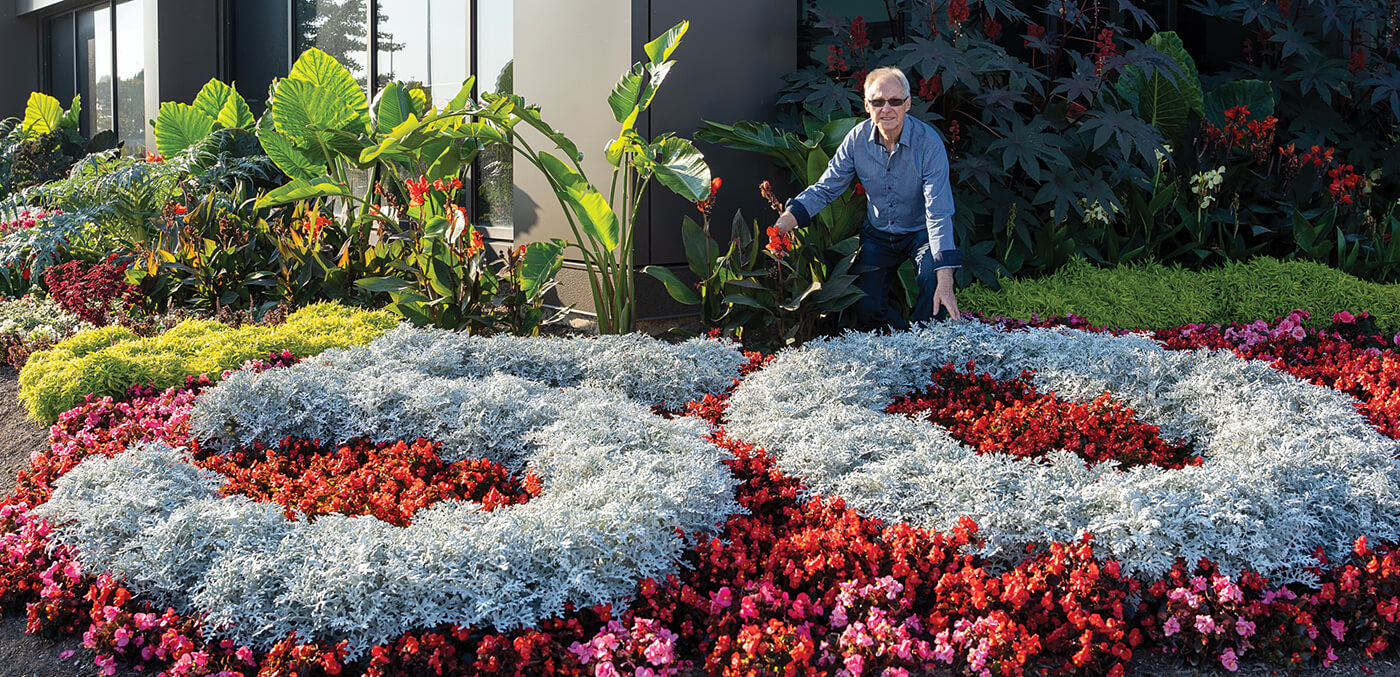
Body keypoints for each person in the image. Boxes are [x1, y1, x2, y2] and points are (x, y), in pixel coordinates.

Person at [773, 65, 961, 328]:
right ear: (866, 106)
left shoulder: (928, 143)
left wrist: (945, 279)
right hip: (879, 233)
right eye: (878, 102)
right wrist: (786, 221)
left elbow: (938, 212)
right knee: (865, 306)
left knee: (934, 289)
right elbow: (827, 187)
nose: (887, 109)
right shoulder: (856, 140)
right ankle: (903, 344)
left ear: (907, 104)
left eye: (895, 101)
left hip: (922, 232)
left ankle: (927, 349)